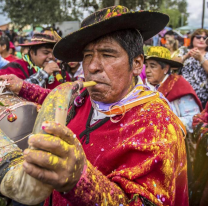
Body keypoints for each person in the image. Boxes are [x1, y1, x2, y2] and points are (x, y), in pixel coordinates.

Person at [0, 5, 189, 206]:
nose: (92, 67)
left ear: (136, 63)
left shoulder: (157, 125)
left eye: (107, 54)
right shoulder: (86, 98)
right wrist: (22, 87)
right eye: (88, 55)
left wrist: (79, 180)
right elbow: (57, 98)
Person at [145, 46, 202, 132]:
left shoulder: (179, 85)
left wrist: (164, 124)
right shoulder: (142, 87)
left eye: (152, 66)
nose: (147, 70)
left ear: (165, 69)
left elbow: (193, 119)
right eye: (146, 66)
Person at [0, 32, 70, 89]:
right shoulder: (14, 68)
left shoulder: (60, 70)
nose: (51, 57)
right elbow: (9, 90)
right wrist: (44, 73)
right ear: (32, 53)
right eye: (46, 53)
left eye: (54, 53)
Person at [173, 28, 208, 108]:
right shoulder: (183, 50)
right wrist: (186, 56)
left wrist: (201, 59)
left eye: (205, 38)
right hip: (181, 94)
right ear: (192, 39)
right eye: (198, 37)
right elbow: (172, 65)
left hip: (202, 97)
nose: (201, 40)